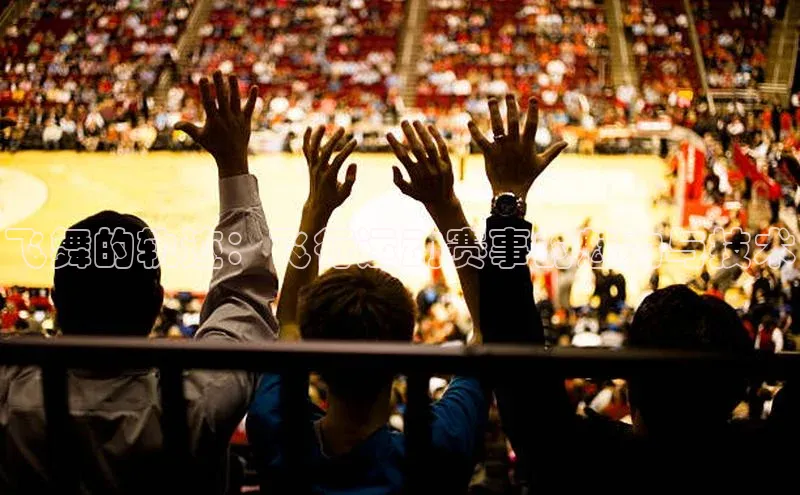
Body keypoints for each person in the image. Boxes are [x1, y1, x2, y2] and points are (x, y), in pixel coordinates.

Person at [0, 73, 278, 495]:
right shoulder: (197, 402)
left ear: (56, 300)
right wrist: (233, 165)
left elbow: (244, 296)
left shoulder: (9, 392)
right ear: (155, 302)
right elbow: (245, 295)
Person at [246, 120, 487, 493]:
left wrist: (316, 210)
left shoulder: (273, 426)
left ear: (313, 358)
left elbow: (289, 318)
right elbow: (488, 328)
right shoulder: (439, 447)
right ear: (407, 349)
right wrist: (446, 206)